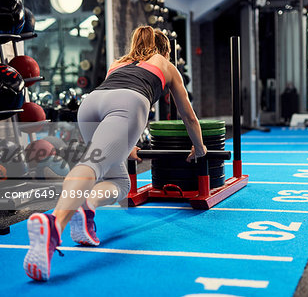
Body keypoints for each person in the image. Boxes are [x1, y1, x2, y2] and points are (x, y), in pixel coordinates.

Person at [23, 26, 207, 281]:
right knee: (93, 165)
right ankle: (55, 224)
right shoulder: (165, 64)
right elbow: (188, 115)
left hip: (91, 104)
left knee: (120, 182)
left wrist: (125, 143)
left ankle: (87, 207)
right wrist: (199, 148)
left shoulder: (118, 63)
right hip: (128, 104)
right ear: (164, 49)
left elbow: (113, 104)